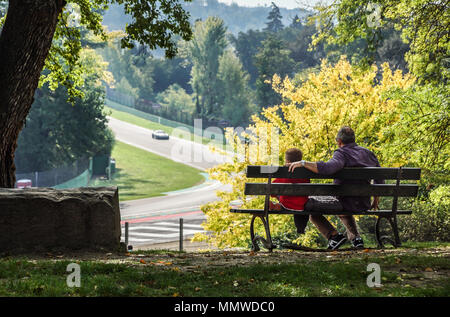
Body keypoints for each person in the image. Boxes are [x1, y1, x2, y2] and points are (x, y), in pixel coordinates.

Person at [287, 126, 384, 250]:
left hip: (343, 202)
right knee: (344, 205)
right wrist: (376, 199)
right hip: (363, 203)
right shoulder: (368, 153)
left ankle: (334, 237)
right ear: (353, 139)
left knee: (311, 208)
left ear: (339, 141)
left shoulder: (342, 153)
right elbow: (380, 178)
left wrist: (303, 163)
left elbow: (328, 168)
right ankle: (356, 238)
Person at [269, 148, 310, 235]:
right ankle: (301, 228)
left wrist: (275, 195)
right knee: (298, 202)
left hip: (286, 202)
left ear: (287, 161)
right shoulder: (306, 171)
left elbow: (273, 189)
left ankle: (276, 206)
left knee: (284, 198)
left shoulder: (285, 172)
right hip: (302, 203)